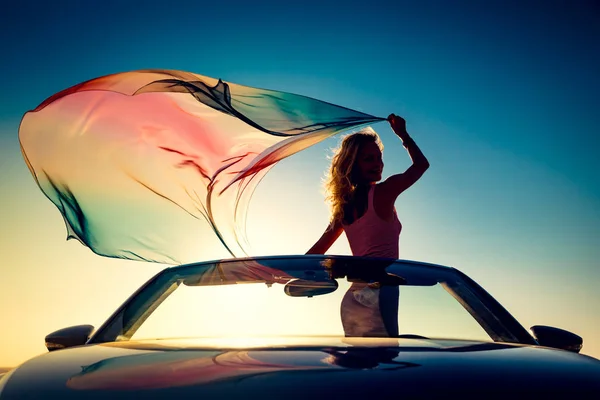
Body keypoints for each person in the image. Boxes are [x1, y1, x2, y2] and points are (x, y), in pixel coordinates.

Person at [306, 113, 429, 337]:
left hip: (354, 298)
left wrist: (279, 272)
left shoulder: (343, 209)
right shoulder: (384, 191)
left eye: (379, 157)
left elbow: (313, 254)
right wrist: (402, 134)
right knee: (384, 361)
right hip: (380, 290)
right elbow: (421, 165)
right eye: (368, 159)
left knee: (360, 364)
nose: (378, 164)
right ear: (353, 164)